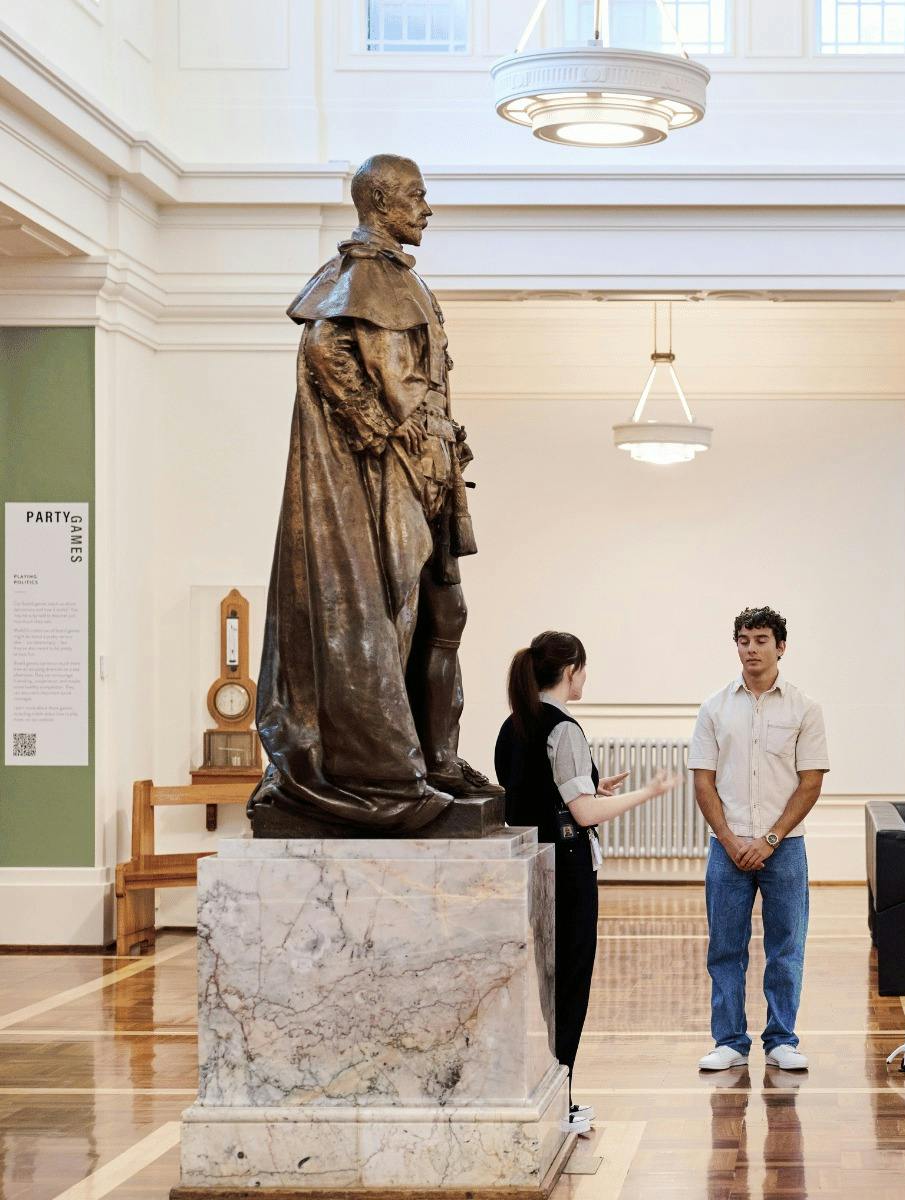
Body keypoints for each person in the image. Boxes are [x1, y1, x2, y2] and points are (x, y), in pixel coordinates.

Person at [252, 154, 500, 838]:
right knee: (394, 612)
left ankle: (438, 759)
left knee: (444, 611)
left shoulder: (395, 279)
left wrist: (438, 439)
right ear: (381, 201)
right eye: (416, 196)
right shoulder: (360, 277)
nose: (426, 208)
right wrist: (384, 429)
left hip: (430, 467)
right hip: (389, 474)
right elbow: (326, 354)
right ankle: (384, 762)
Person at [493, 631, 674, 1134]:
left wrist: (594, 786)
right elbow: (583, 812)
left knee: (544, 985)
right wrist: (647, 792)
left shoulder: (513, 726)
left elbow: (536, 797)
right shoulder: (564, 729)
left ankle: (547, 1093)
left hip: (530, 867)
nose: (586, 678)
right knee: (570, 985)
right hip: (568, 874)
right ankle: (562, 1102)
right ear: (570, 670)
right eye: (584, 669)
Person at [690, 607, 830, 1072]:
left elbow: (810, 781)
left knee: (786, 946)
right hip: (726, 849)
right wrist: (730, 841)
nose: (751, 648)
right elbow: (704, 781)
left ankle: (781, 1039)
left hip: (785, 848)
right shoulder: (714, 707)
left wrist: (770, 838)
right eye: (744, 640)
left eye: (761, 640)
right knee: (725, 947)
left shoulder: (804, 708)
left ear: (781, 646)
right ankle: (729, 1041)